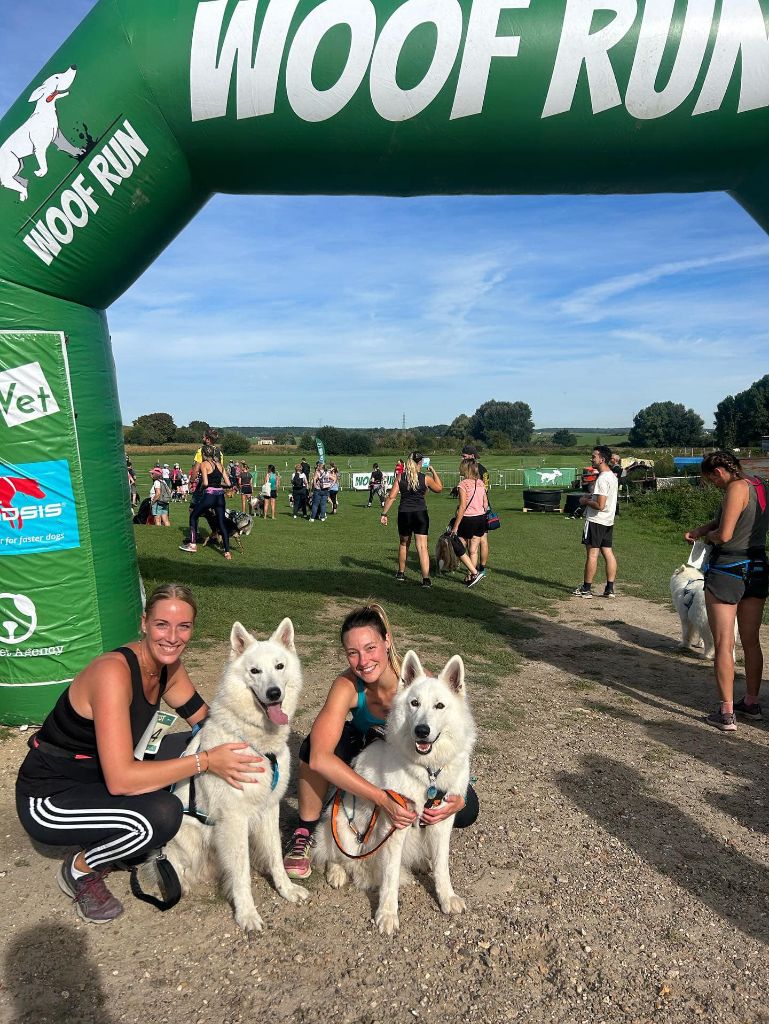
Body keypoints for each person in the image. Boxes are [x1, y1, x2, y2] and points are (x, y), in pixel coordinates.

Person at [15, 584, 264, 923]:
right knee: (161, 817)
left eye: (184, 627)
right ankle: (80, 869)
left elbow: (207, 724)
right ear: (144, 622)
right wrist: (205, 761)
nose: (173, 637)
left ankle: (122, 837)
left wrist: (252, 735)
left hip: (100, 776)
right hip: (51, 794)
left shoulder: (168, 670)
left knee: (186, 747)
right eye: (162, 624)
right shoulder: (113, 673)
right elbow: (121, 780)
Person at [282, 604, 478, 879]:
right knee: (313, 746)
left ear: (387, 641)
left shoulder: (421, 684)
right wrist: (381, 798)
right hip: (365, 753)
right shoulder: (347, 685)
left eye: (370, 648)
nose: (363, 661)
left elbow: (453, 735)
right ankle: (306, 829)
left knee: (467, 810)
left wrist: (457, 793)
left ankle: (417, 839)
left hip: (408, 759)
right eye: (353, 653)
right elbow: (319, 757)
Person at [685, 450, 769, 732]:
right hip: (757, 567)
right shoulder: (758, 483)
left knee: (724, 643)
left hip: (728, 571)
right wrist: (700, 529)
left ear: (718, 472)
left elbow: (724, 534)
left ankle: (726, 713)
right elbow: (730, 518)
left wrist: (707, 537)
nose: (714, 486)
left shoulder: (734, 488)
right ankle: (752, 703)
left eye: (712, 481)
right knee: (751, 641)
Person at [381, 452, 442, 587]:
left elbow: (391, 497)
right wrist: (433, 471)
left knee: (404, 544)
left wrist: (384, 514)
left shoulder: (400, 477)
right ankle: (425, 579)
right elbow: (439, 488)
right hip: (420, 514)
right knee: (422, 547)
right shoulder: (425, 478)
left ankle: (401, 573)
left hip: (404, 513)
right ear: (420, 463)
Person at [573, 446, 618, 599]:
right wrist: (592, 496)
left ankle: (586, 589)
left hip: (596, 521)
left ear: (602, 459)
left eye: (593, 456)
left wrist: (585, 501)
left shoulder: (602, 479)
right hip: (608, 521)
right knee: (608, 552)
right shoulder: (612, 476)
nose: (591, 459)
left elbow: (600, 505)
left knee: (592, 555)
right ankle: (610, 588)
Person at [180, 451, 232, 558]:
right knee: (221, 522)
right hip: (220, 496)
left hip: (210, 495)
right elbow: (228, 484)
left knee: (193, 516)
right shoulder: (220, 465)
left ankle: (193, 544)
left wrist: (200, 487)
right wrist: (218, 483)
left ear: (204, 455)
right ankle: (227, 552)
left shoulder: (204, 464)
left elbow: (206, 483)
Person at [450, 458, 489, 588]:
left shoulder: (463, 484)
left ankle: (474, 572)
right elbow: (485, 503)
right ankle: (471, 576)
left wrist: (455, 527)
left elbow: (462, 507)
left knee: (457, 546)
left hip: (468, 519)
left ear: (465, 469)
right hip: (481, 518)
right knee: (473, 550)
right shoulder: (480, 483)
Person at [461, 447, 491, 576]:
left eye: (464, 456)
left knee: (472, 541)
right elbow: (486, 488)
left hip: (473, 508)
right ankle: (481, 568)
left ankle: (472, 569)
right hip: (484, 506)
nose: (462, 458)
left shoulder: (473, 469)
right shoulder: (484, 469)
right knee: (482, 540)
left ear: (471, 456)